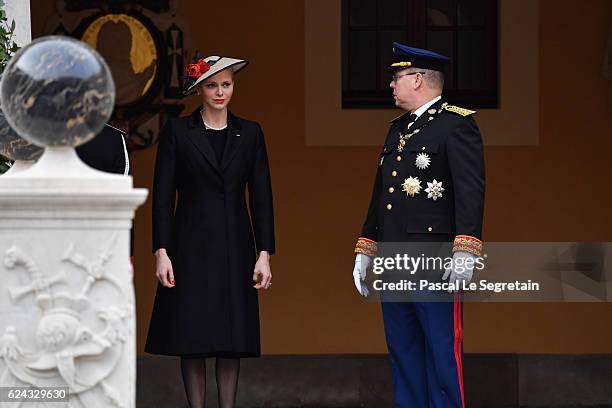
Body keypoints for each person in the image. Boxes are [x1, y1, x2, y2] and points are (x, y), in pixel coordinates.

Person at [352, 43, 485, 408]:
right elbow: (382, 194)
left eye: (396, 78)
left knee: (441, 348)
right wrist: (366, 246)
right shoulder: (397, 129)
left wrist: (465, 247)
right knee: (403, 349)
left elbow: (470, 192)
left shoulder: (456, 125)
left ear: (417, 79)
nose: (391, 86)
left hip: (435, 258)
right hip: (395, 258)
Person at [145, 53, 275, 408]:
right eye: (212, 85)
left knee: (230, 337)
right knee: (193, 336)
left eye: (227, 84)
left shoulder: (250, 132)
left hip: (236, 246)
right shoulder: (177, 131)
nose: (220, 92)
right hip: (189, 246)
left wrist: (265, 253)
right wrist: (161, 251)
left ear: (234, 87)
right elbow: (162, 196)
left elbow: (261, 196)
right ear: (200, 89)